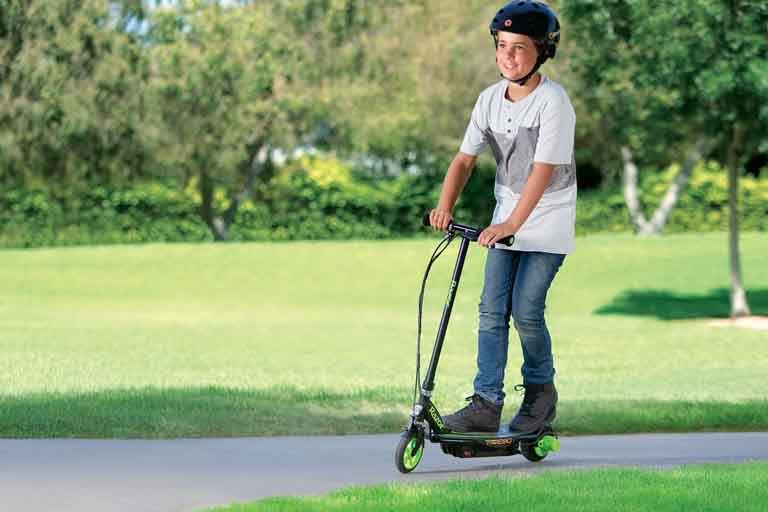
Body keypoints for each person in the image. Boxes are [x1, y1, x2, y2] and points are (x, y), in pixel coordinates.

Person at [429, 0, 576, 434]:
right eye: (502, 46)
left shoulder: (554, 103)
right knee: (491, 311)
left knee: (526, 311)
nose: (508, 56)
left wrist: (512, 224)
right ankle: (486, 403)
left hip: (546, 223)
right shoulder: (489, 100)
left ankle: (539, 393)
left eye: (520, 48)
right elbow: (463, 161)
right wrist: (445, 206)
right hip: (505, 222)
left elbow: (541, 173)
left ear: (542, 53)